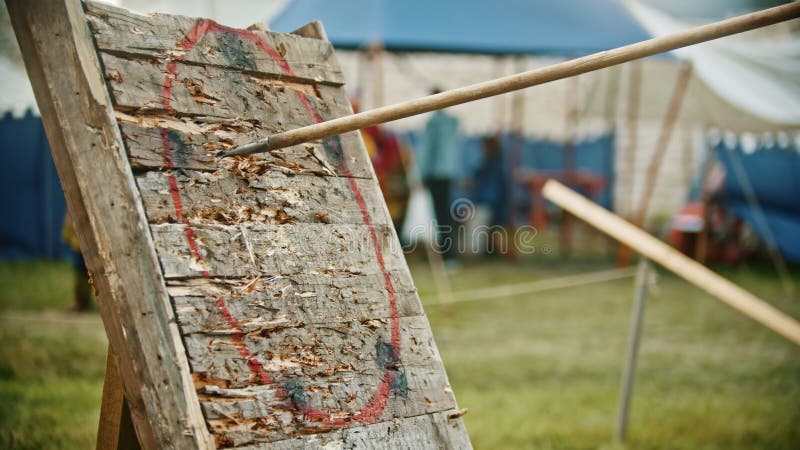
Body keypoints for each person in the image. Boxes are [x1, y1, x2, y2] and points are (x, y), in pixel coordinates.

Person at [418, 88, 461, 263]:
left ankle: (447, 254)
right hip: (449, 173)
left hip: (435, 174)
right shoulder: (453, 122)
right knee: (447, 214)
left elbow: (428, 151)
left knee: (440, 215)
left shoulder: (434, 123)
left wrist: (421, 174)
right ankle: (449, 253)